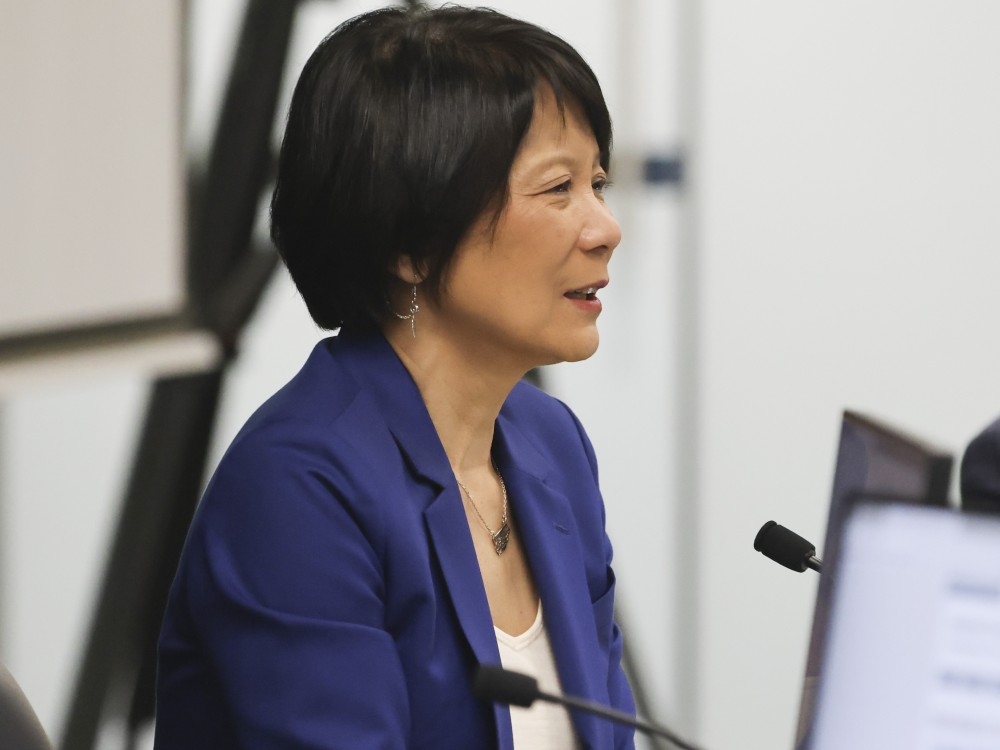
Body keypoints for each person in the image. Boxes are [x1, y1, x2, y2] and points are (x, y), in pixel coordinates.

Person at [154, 5, 634, 748]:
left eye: (597, 182)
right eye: (557, 188)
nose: (606, 227)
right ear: (411, 245)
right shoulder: (298, 489)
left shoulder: (553, 445)